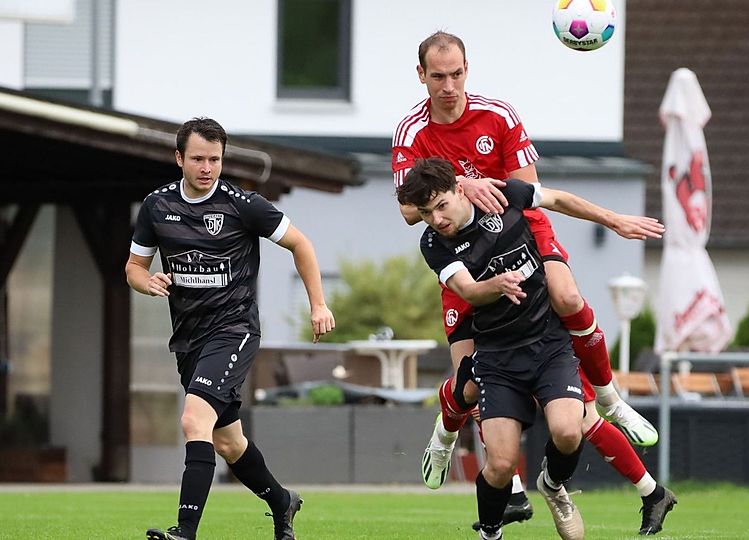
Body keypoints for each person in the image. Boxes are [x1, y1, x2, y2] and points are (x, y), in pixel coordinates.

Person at [393, 31, 671, 532]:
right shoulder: (412, 134)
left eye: (457, 74)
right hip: (465, 257)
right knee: (468, 385)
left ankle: (609, 401)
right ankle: (448, 435)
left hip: (518, 236)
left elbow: (541, 192)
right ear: (422, 77)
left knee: (566, 297)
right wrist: (460, 185)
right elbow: (410, 210)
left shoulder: (497, 114)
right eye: (439, 76)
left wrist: (615, 221)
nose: (450, 85)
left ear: (467, 69)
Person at [126, 117, 335, 540]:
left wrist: (318, 304)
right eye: (199, 159)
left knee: (192, 419)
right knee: (228, 443)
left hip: (234, 329)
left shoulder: (243, 205)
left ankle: (185, 531)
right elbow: (133, 267)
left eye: (215, 159)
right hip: (189, 339)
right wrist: (146, 282)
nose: (207, 167)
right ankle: (282, 501)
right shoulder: (157, 206)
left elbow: (301, 243)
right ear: (179, 158)